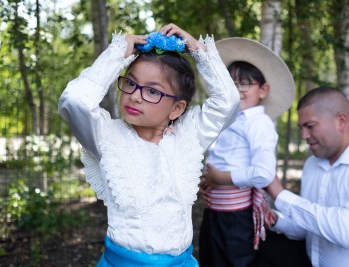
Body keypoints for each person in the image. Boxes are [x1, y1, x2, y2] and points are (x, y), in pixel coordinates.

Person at [58, 23, 239, 266]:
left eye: (152, 92)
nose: (134, 95)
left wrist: (197, 49)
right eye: (130, 83)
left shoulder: (188, 137)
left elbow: (228, 102)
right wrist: (119, 52)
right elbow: (74, 101)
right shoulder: (106, 137)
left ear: (177, 108)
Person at [198, 37, 295, 267]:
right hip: (215, 212)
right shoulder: (229, 120)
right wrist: (207, 180)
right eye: (231, 83)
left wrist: (219, 178)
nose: (236, 90)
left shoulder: (258, 123)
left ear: (263, 90)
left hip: (236, 218)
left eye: (244, 84)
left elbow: (263, 172)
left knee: (235, 262)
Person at [265, 86, 349, 267]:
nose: (304, 136)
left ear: (341, 122)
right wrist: (274, 219)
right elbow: (309, 227)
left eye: (310, 126)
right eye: (301, 128)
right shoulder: (312, 164)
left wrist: (280, 195)